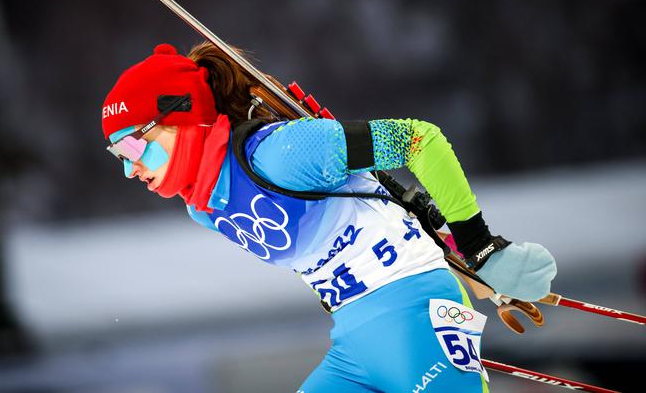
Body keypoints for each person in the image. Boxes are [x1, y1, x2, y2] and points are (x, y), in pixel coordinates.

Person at [101, 42, 557, 392]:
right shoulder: (206, 206)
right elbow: (370, 215)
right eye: (116, 153)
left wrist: (479, 247)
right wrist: (476, 274)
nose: (128, 167)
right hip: (354, 344)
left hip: (417, 320)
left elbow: (420, 141)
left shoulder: (279, 152)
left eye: (132, 145)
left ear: (182, 115)